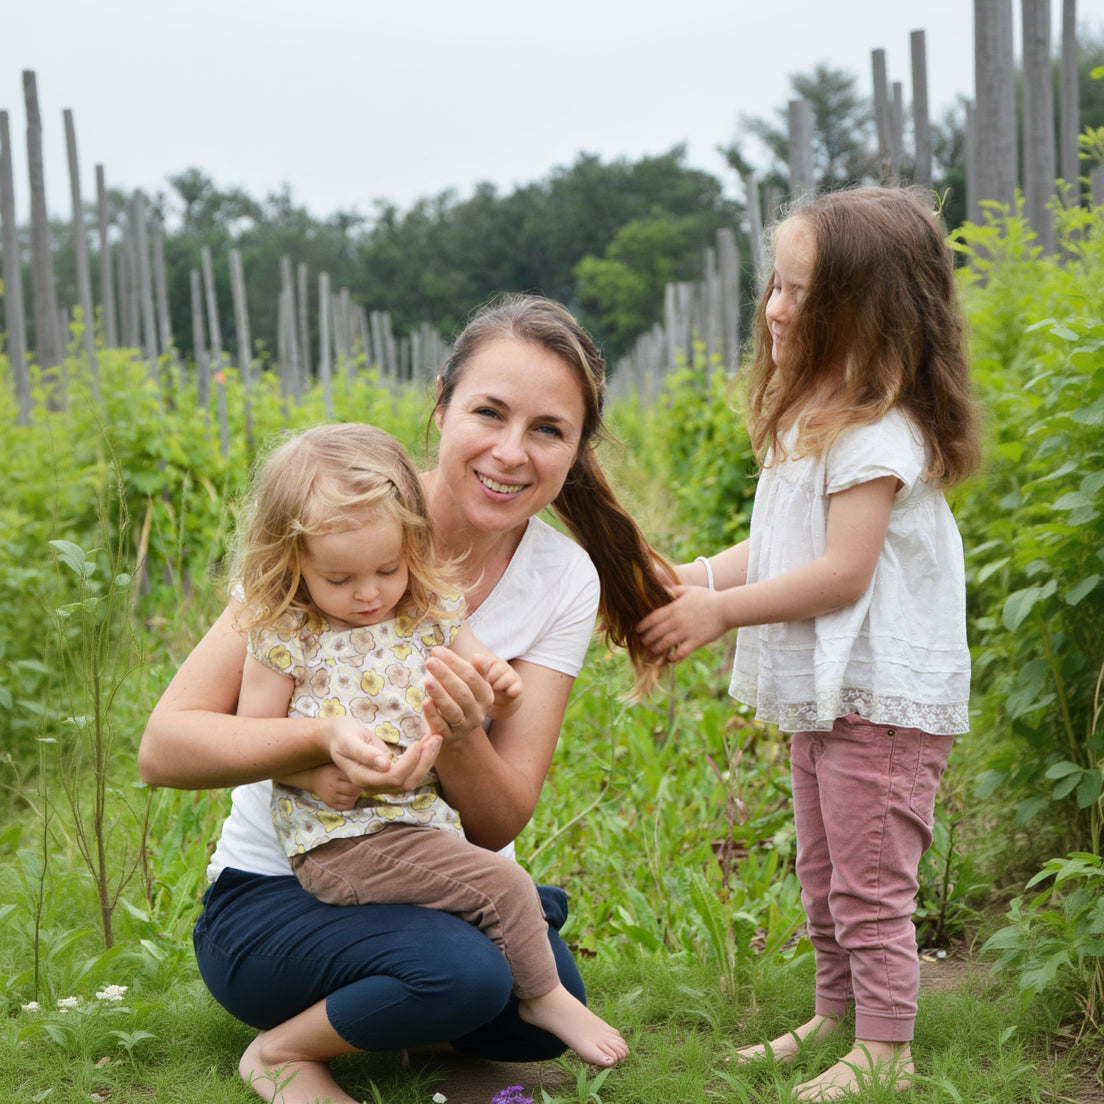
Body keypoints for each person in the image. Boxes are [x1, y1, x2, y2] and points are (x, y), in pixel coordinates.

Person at [139, 294, 671, 1104]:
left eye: (547, 430)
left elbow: (498, 822)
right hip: (280, 889)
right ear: (441, 405)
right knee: (467, 974)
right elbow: (165, 747)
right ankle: (293, 1045)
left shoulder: (561, 578)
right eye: (488, 412)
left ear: (577, 449)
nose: (509, 453)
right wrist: (317, 744)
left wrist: (461, 734)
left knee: (527, 1017)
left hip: (428, 857)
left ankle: (425, 975)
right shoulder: (334, 522)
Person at [638, 187, 982, 1102]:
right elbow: (788, 543)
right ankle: (837, 1016)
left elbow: (840, 574)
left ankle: (887, 1051)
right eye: (775, 287)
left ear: (865, 317)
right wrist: (704, 576)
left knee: (870, 882)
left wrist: (723, 614)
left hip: (881, 696)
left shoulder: (878, 433)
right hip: (835, 692)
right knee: (825, 870)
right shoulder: (819, 412)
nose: (775, 307)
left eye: (801, 294)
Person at [233, 421, 626, 1069]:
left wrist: (495, 685)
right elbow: (257, 740)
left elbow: (484, 674)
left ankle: (489, 958)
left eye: (387, 569)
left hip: (417, 827)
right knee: (502, 881)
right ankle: (542, 991)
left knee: (497, 890)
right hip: (342, 842)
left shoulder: (427, 611)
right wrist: (314, 775)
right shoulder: (285, 635)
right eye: (340, 579)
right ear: (293, 560)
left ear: (410, 550)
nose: (368, 594)